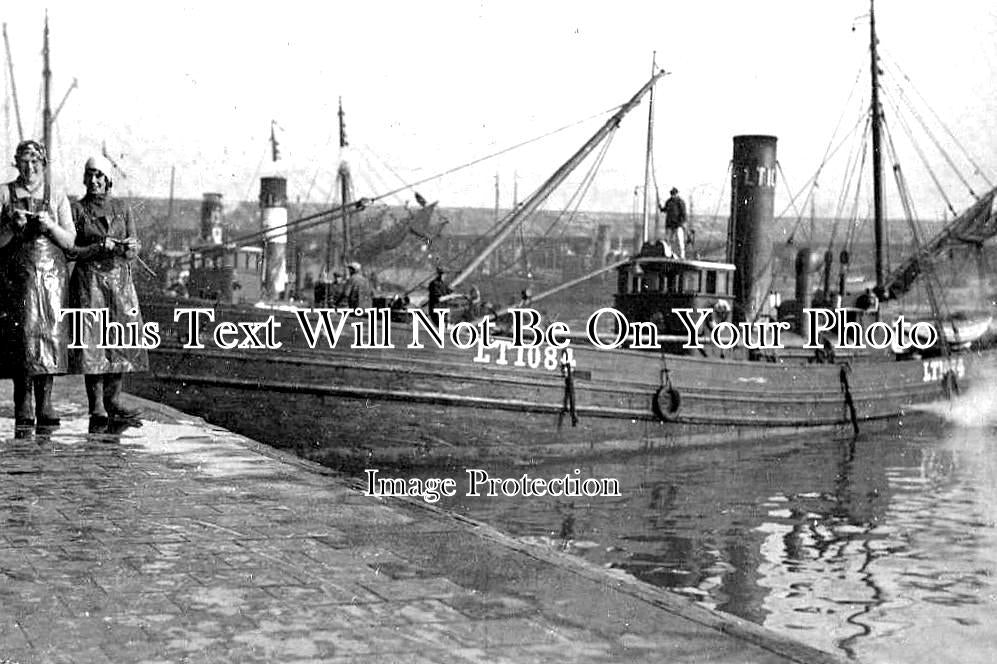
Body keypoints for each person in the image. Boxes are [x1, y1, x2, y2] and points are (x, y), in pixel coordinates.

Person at [0, 140, 77, 427]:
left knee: (50, 337)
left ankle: (45, 403)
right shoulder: (4, 193)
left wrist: (51, 226)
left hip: (51, 281)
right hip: (17, 278)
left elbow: (70, 241)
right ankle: (23, 403)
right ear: (16, 164)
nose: (30, 168)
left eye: (35, 163)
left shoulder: (56, 194)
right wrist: (10, 226)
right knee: (22, 340)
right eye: (24, 162)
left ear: (43, 165)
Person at [68, 155, 147, 427]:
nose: (94, 181)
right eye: (90, 175)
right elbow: (71, 250)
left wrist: (131, 248)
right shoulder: (76, 209)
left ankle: (114, 399)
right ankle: (97, 405)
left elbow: (134, 245)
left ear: (108, 180)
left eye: (99, 176)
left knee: (120, 338)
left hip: (119, 282)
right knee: (93, 340)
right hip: (89, 280)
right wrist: (99, 246)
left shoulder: (123, 208)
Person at [659, 187, 688, 259]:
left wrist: (682, 222)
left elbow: (683, 213)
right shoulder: (669, 202)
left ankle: (682, 256)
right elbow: (665, 210)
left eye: (674, 193)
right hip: (669, 224)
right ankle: (668, 254)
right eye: (672, 194)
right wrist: (660, 207)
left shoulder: (680, 202)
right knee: (668, 240)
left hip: (678, 224)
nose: (673, 195)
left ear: (677, 194)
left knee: (679, 240)